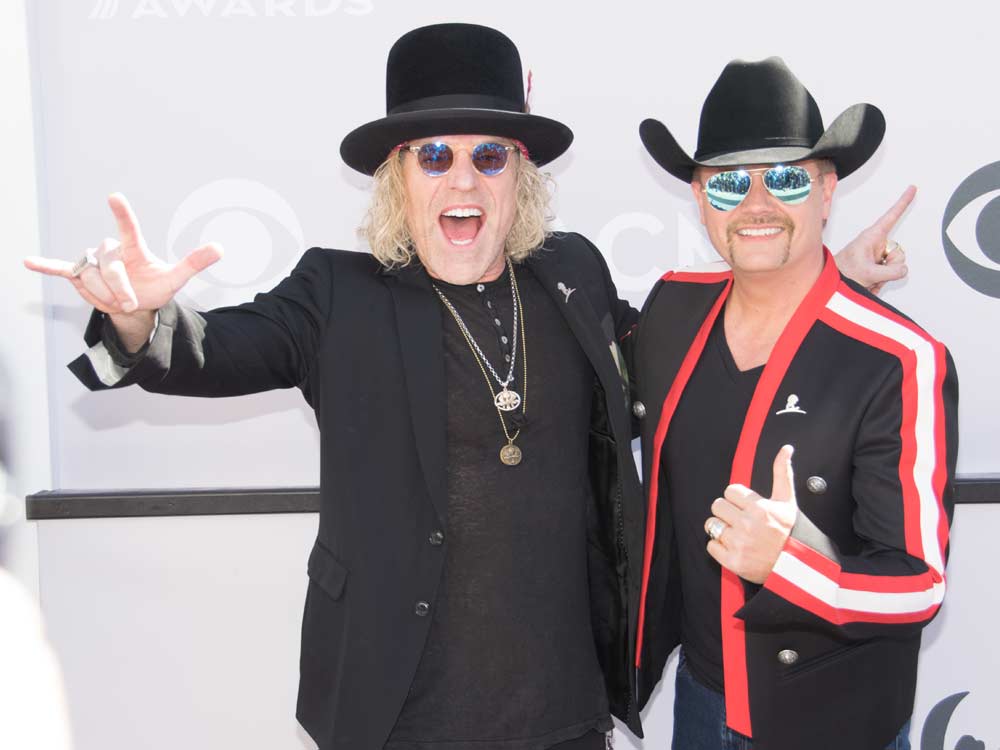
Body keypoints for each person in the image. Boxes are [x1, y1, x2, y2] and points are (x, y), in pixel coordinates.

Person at [24, 26, 907, 750]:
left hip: (563, 710)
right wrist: (140, 321)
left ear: (520, 176)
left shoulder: (571, 275)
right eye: (432, 154)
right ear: (396, 177)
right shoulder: (339, 293)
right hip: (398, 712)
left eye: (489, 156)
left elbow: (694, 345)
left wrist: (827, 284)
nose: (461, 179)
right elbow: (220, 350)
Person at [630, 57, 959, 750]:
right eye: (727, 183)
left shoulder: (899, 358)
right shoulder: (670, 309)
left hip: (831, 723)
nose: (756, 205)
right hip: (698, 704)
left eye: (784, 179)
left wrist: (784, 562)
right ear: (697, 199)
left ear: (827, 191)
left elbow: (919, 586)